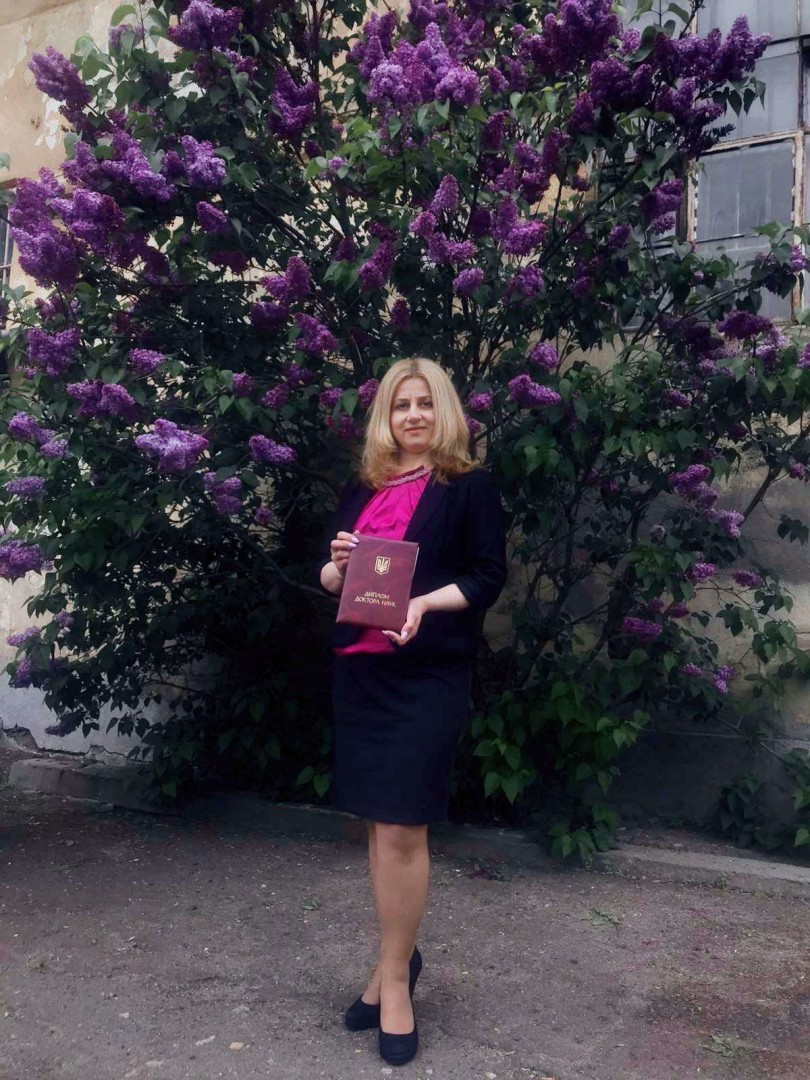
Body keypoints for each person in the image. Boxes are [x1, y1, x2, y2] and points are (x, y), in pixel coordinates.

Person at [319, 357, 507, 1066]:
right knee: (378, 825)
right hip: (362, 673)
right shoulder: (365, 485)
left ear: (444, 410)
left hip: (427, 675)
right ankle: (394, 956)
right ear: (387, 417)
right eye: (402, 405)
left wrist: (424, 603)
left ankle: (395, 980)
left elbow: (488, 576)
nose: (414, 416)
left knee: (403, 826)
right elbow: (332, 575)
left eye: (425, 403)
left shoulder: (469, 487)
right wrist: (337, 566)